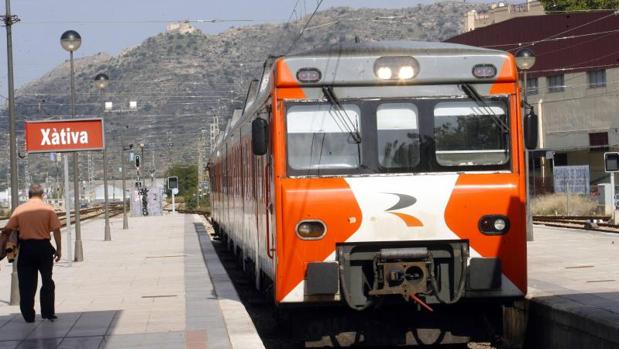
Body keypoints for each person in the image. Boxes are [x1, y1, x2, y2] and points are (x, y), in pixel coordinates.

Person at [2, 184, 62, 323]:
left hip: (27, 249)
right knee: (47, 280)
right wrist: (59, 249)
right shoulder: (48, 209)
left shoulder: (19, 210)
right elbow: (56, 230)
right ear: (42, 195)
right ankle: (48, 313)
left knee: (27, 283)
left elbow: (8, 229)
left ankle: (28, 315)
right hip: (44, 248)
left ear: (28, 195)